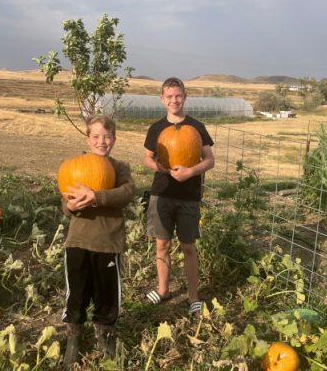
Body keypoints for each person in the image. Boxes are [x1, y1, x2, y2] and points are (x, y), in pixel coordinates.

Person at [61, 115, 135, 369]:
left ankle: (105, 335)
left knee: (107, 294)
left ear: (113, 139)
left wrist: (96, 196)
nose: (101, 141)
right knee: (77, 293)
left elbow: (127, 192)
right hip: (79, 240)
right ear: (87, 139)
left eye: (106, 136)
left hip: (108, 241)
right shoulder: (74, 166)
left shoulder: (119, 168)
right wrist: (70, 205)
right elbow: (67, 200)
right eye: (96, 136)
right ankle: (74, 336)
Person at [143, 77, 215, 317]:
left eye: (178, 95)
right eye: (169, 96)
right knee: (161, 244)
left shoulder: (196, 127)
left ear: (184, 96)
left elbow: (209, 159)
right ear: (162, 99)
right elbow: (147, 158)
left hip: (189, 195)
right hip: (161, 194)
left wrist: (190, 172)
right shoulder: (156, 128)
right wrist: (161, 169)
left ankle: (193, 297)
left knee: (188, 246)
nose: (174, 100)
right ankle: (163, 290)